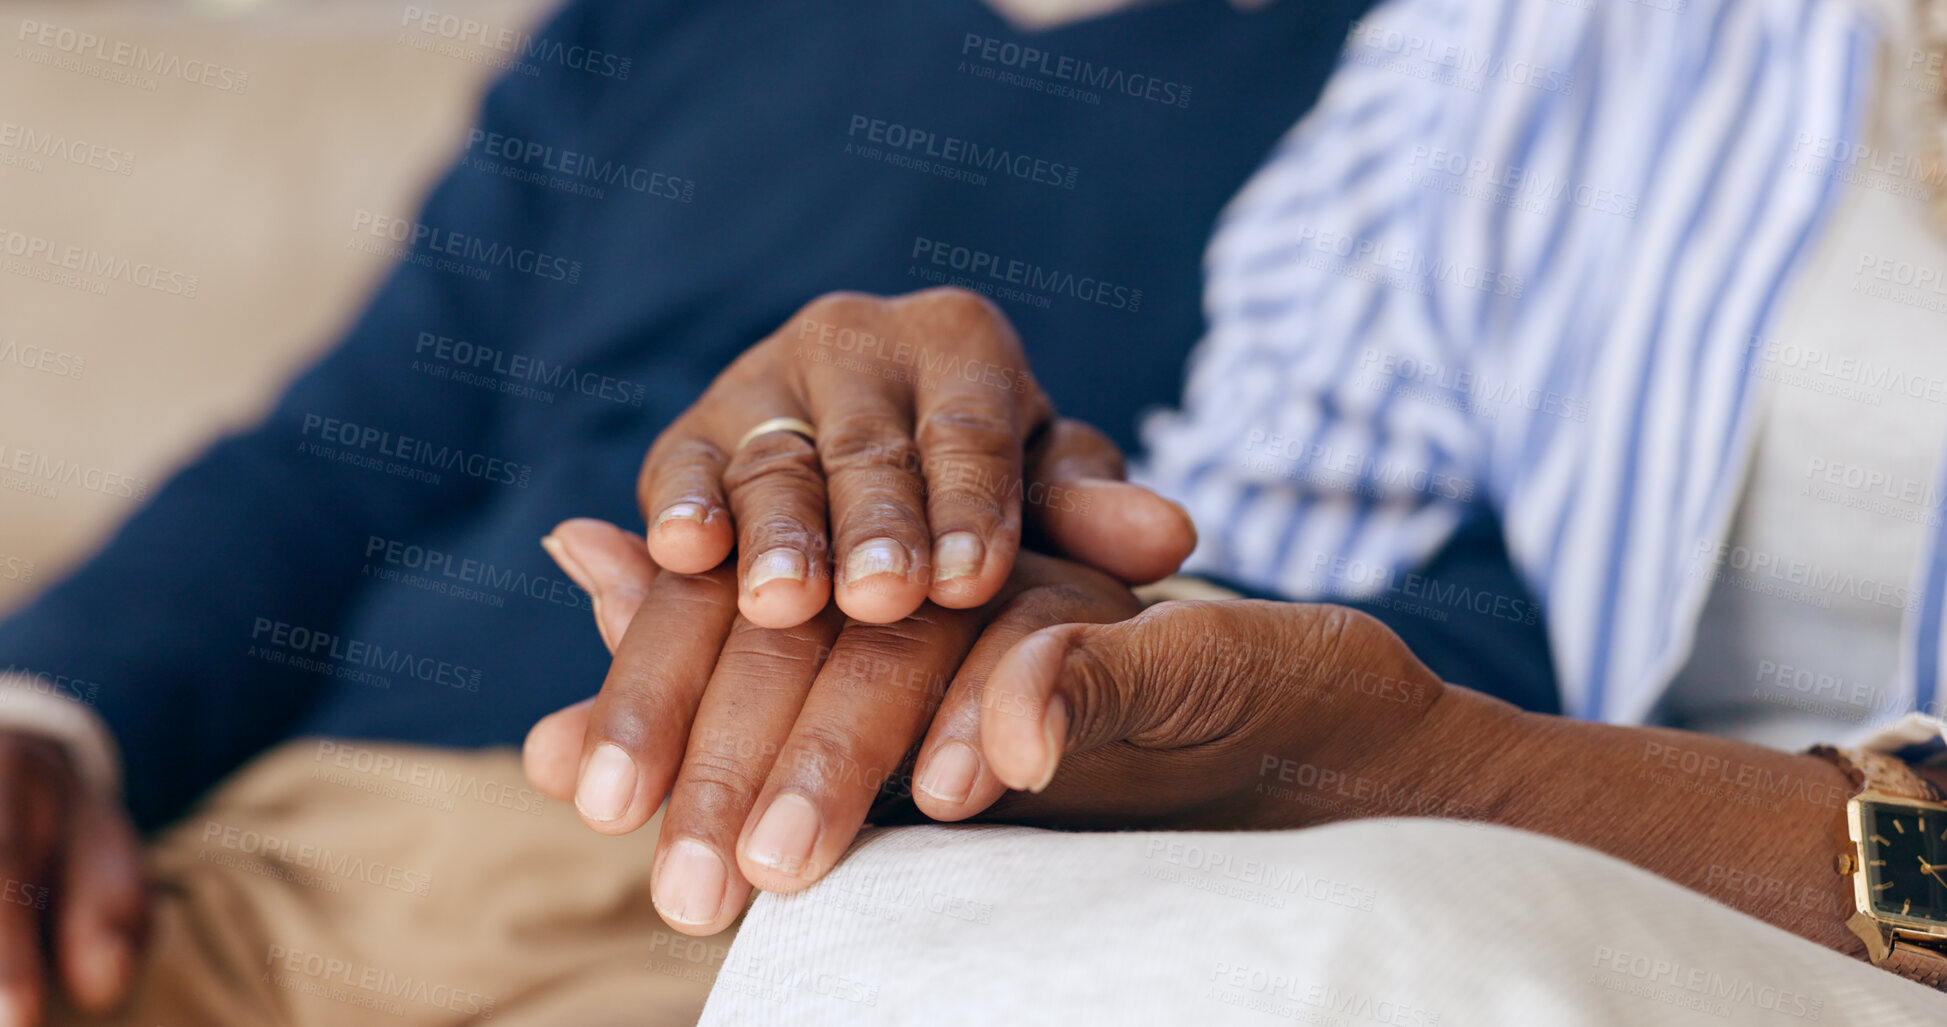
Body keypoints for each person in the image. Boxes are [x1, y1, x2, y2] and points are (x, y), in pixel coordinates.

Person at [517, 0, 1947, 1016]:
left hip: (1762, 886)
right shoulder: (1520, 38)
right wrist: (1031, 602)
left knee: (1359, 942)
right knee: (940, 907)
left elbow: (1447, 747)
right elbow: (1298, 565)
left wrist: (1472, 770)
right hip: (1632, 846)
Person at [0, 0, 1385, 1023]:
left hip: (848, 904)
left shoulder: (1449, 84)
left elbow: (1492, 653)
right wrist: (46, 718)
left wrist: (1072, 666)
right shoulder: (660, 23)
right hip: (307, 857)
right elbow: (343, 457)